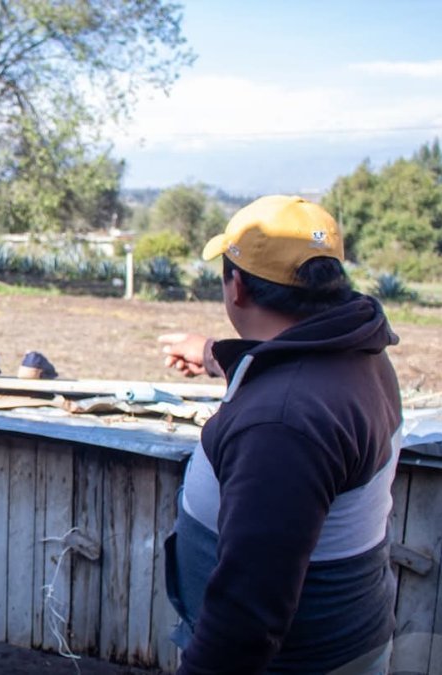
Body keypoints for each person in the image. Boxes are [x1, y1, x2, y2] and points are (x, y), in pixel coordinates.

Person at [157, 195, 401, 674]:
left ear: (238, 286)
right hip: (345, 643)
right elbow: (292, 362)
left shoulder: (283, 424)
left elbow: (247, 616)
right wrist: (213, 354)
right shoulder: (355, 348)